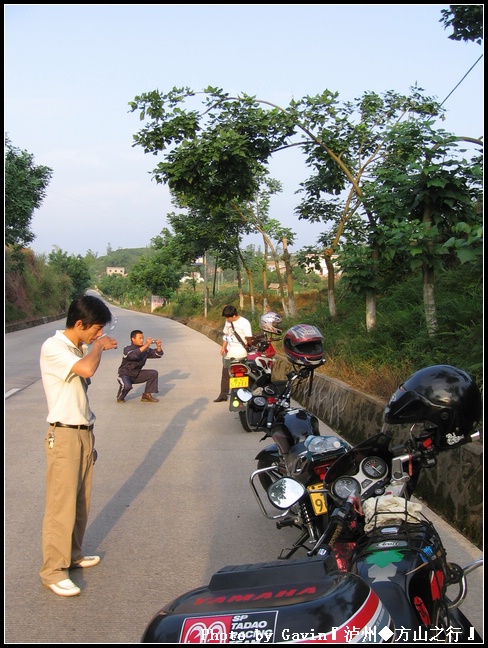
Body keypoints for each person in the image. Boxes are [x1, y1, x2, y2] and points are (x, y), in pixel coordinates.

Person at [39, 294, 118, 597]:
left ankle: (72, 554)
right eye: (96, 329)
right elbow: (86, 370)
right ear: (80, 323)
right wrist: (97, 347)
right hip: (64, 434)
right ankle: (53, 570)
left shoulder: (76, 347)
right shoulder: (54, 347)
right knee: (61, 504)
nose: (99, 334)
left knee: (80, 501)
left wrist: (91, 345)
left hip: (83, 431)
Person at [214, 305, 253, 402]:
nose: (227, 319)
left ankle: (246, 394)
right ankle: (223, 395)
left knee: (245, 372)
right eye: (226, 317)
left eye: (228, 317)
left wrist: (250, 346)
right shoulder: (228, 322)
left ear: (234, 315)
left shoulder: (245, 322)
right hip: (230, 351)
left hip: (241, 351)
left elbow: (248, 338)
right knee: (225, 373)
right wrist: (223, 347)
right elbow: (226, 335)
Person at [116, 330, 163, 403]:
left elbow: (157, 355)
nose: (142, 340)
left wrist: (159, 346)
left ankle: (146, 395)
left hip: (136, 374)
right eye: (140, 338)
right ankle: (120, 397)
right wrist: (146, 345)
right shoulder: (127, 349)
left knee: (153, 373)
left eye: (142, 338)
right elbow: (133, 355)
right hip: (125, 375)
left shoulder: (145, 349)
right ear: (133, 339)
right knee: (127, 386)